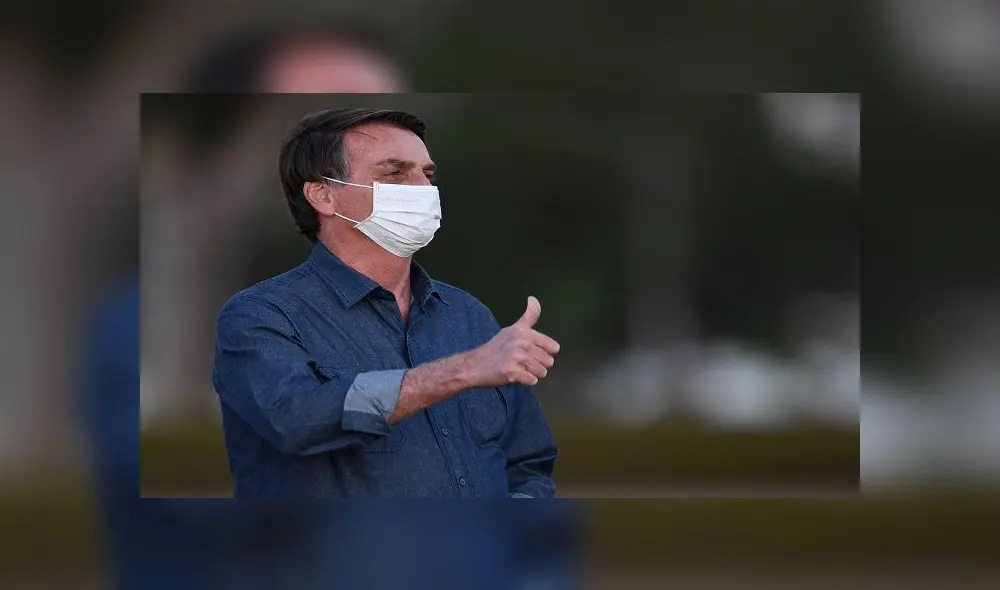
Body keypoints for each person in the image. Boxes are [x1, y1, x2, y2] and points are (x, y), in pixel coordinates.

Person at [212, 107, 561, 498]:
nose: (423, 188)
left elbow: (529, 463)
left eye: (427, 175)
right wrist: (464, 370)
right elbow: (296, 418)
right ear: (323, 194)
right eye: (395, 173)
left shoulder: (468, 316)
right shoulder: (263, 315)